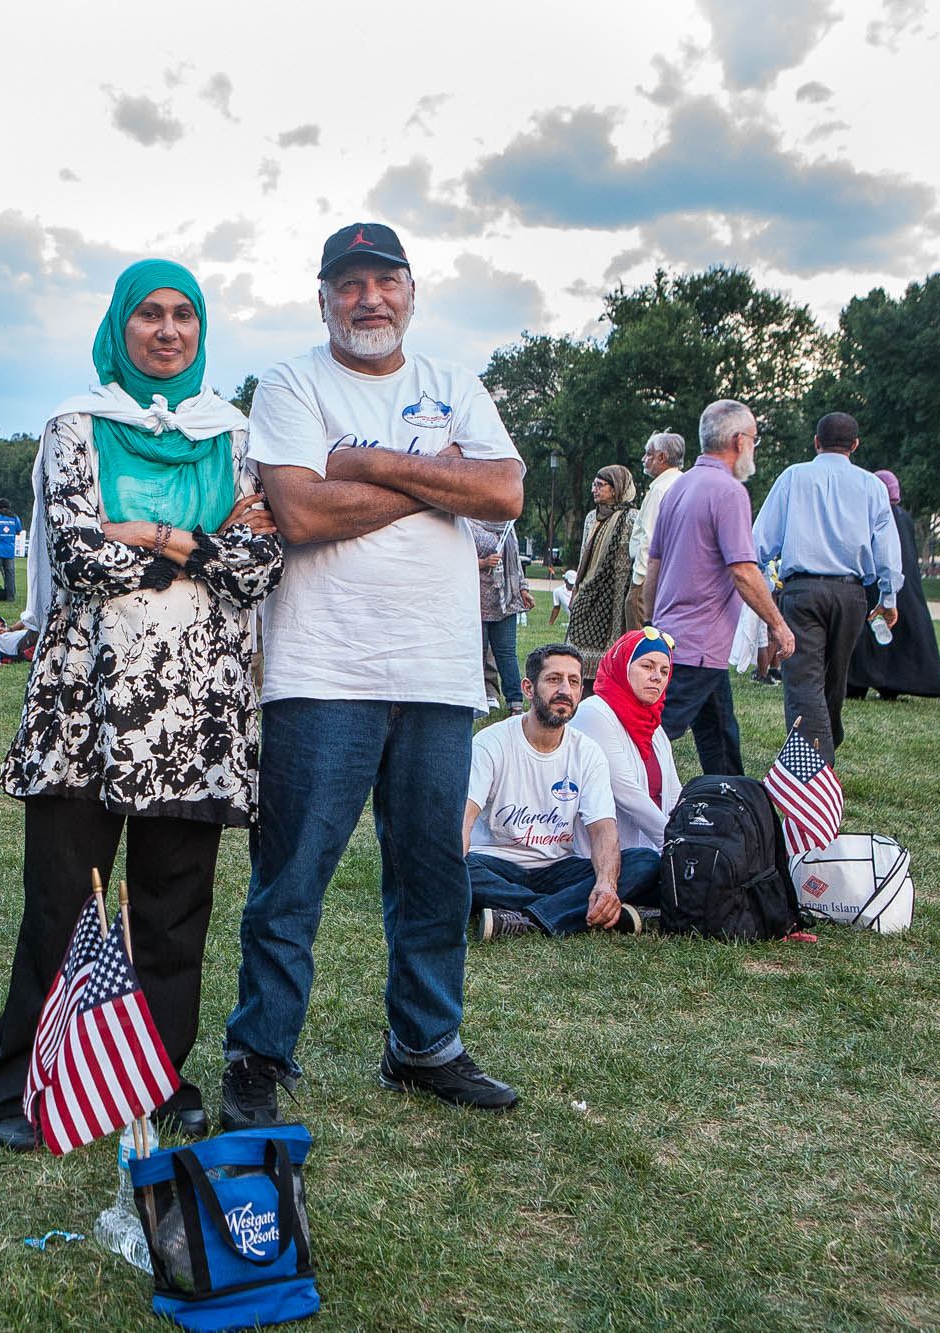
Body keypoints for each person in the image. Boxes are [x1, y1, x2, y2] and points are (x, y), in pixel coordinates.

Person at [0, 257, 281, 1152]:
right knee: (61, 903)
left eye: (184, 315)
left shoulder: (232, 432)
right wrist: (202, 540)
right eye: (149, 313)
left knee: (175, 909)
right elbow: (75, 553)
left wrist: (142, 531)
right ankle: (20, 1082)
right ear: (120, 324)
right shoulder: (76, 423)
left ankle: (153, 1078)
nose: (168, 331)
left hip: (197, 713)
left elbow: (261, 565)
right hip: (87, 708)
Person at [223, 222, 526, 1127]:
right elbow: (303, 511)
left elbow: (506, 494)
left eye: (384, 281)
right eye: (348, 284)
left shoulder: (452, 384)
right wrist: (439, 478)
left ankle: (425, 1045)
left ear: (411, 292)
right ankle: (259, 1052)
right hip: (323, 669)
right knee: (293, 875)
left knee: (434, 872)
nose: (369, 299)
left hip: (439, 671)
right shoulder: (290, 384)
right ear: (323, 299)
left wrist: (365, 462)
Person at [464, 643, 660, 939]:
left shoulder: (587, 751)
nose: (565, 691)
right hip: (494, 864)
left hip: (558, 868)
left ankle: (522, 918)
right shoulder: (491, 743)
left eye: (574, 682)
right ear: (529, 688)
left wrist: (606, 884)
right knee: (455, 867)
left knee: (645, 862)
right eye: (554, 679)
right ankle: (573, 913)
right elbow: (463, 819)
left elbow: (603, 829)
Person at [645, 400, 795, 777]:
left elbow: (654, 565)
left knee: (720, 734)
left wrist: (650, 622)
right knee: (653, 736)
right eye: (754, 440)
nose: (753, 449)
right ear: (739, 441)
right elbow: (744, 570)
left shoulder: (679, 488)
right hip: (698, 643)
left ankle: (731, 798)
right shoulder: (729, 492)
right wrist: (778, 624)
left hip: (674, 634)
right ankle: (600, 799)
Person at [752, 411, 902, 765]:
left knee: (805, 680)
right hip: (851, 594)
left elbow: (760, 542)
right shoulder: (873, 487)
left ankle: (815, 765)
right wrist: (890, 597)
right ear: (855, 445)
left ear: (816, 442)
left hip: (802, 590)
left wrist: (766, 581)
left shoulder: (793, 477)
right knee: (834, 678)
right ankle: (822, 751)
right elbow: (887, 549)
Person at [570, 627, 683, 861]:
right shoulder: (594, 713)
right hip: (600, 858)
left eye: (664, 671)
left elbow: (674, 794)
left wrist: (691, 835)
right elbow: (627, 793)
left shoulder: (654, 727)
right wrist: (676, 844)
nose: (657, 677)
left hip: (652, 851)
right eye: (647, 666)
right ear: (623, 665)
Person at [847, 468, 940, 700]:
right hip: (906, 588)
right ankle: (892, 684)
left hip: (874, 583)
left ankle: (857, 681)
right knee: (895, 635)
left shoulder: (873, 516)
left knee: (866, 636)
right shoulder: (904, 517)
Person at [567, 463, 640, 680]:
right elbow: (583, 558)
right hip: (589, 589)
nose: (594, 489)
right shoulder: (592, 517)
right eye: (593, 484)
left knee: (612, 645)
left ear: (616, 488)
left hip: (617, 593)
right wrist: (577, 589)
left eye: (600, 485)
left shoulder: (633, 518)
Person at [472, 518, 530, 714]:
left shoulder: (506, 525)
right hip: (476, 601)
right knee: (477, 653)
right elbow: (456, 559)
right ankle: (477, 701)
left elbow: (515, 562)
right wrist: (483, 563)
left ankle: (515, 703)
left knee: (506, 654)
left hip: (505, 600)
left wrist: (523, 589)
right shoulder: (468, 523)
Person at [631, 432, 687, 622]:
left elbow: (649, 536)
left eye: (648, 454)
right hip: (671, 576)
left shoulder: (660, 489)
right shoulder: (683, 483)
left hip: (648, 577)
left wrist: (639, 580)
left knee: (640, 637)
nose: (643, 459)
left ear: (662, 457)